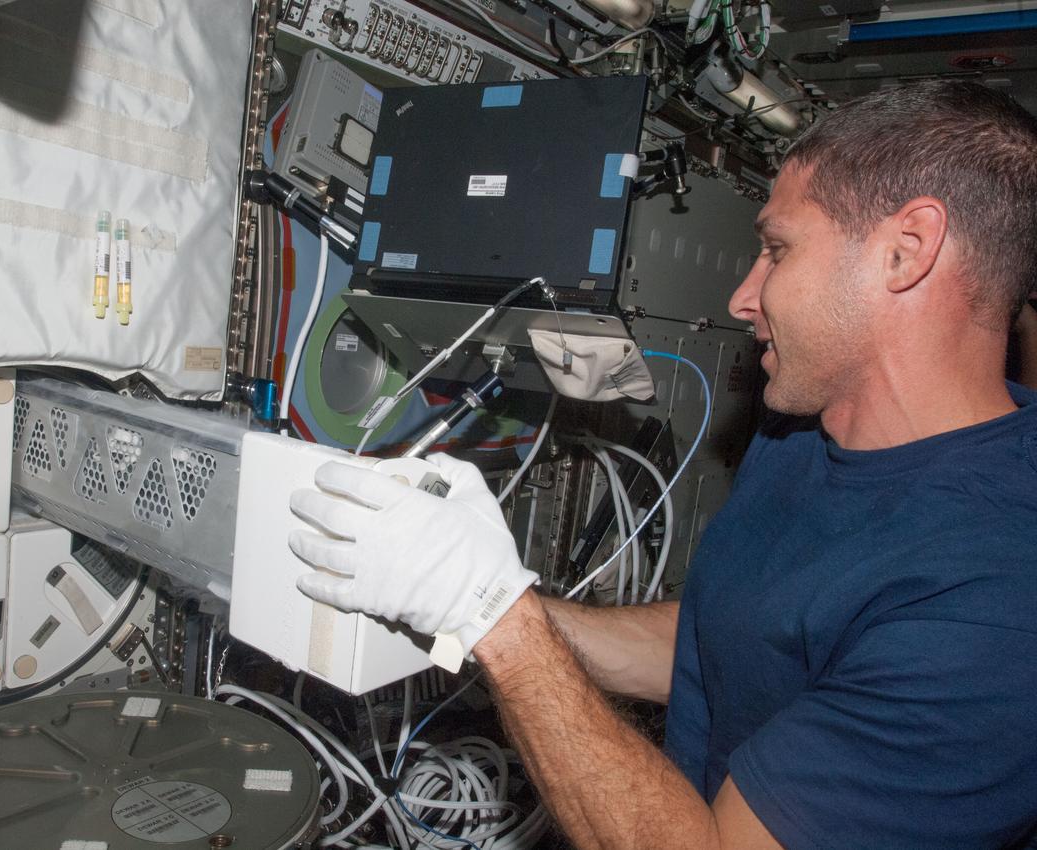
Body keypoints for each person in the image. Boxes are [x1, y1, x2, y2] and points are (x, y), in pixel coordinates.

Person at [288, 80, 1037, 849]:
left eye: (777, 249)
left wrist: (498, 623)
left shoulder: (995, 610)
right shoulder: (805, 436)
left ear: (906, 252)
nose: (744, 297)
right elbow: (725, 643)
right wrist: (482, 597)